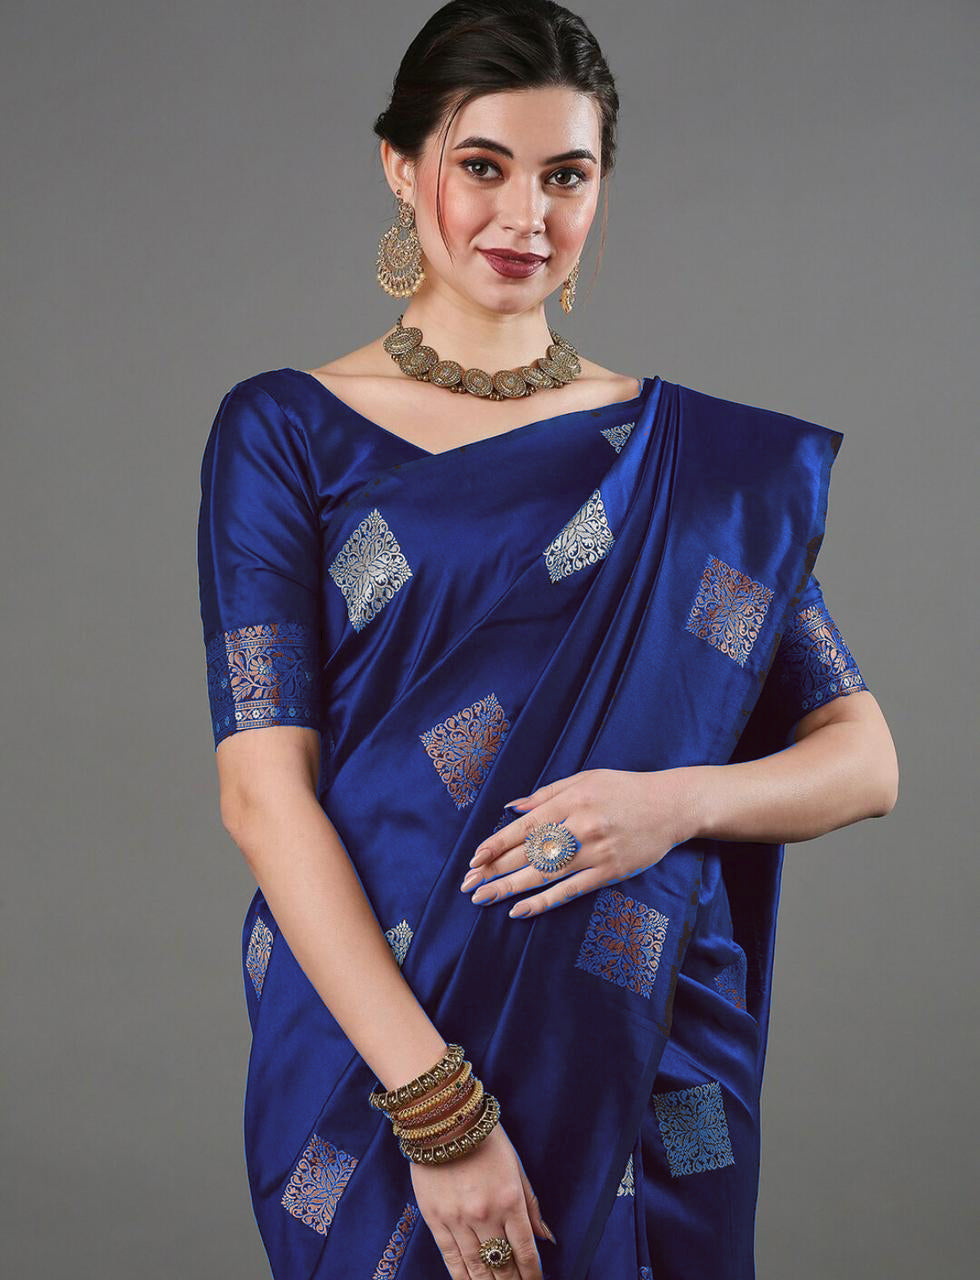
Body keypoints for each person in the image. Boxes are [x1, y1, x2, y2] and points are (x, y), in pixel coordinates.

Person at [196, 3, 899, 1277]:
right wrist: (435, 1104)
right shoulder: (288, 430)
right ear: (399, 165)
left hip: (639, 1032)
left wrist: (670, 805)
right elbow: (261, 792)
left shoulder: (685, 469)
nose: (524, 215)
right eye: (482, 166)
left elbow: (864, 761)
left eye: (565, 176)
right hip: (380, 1040)